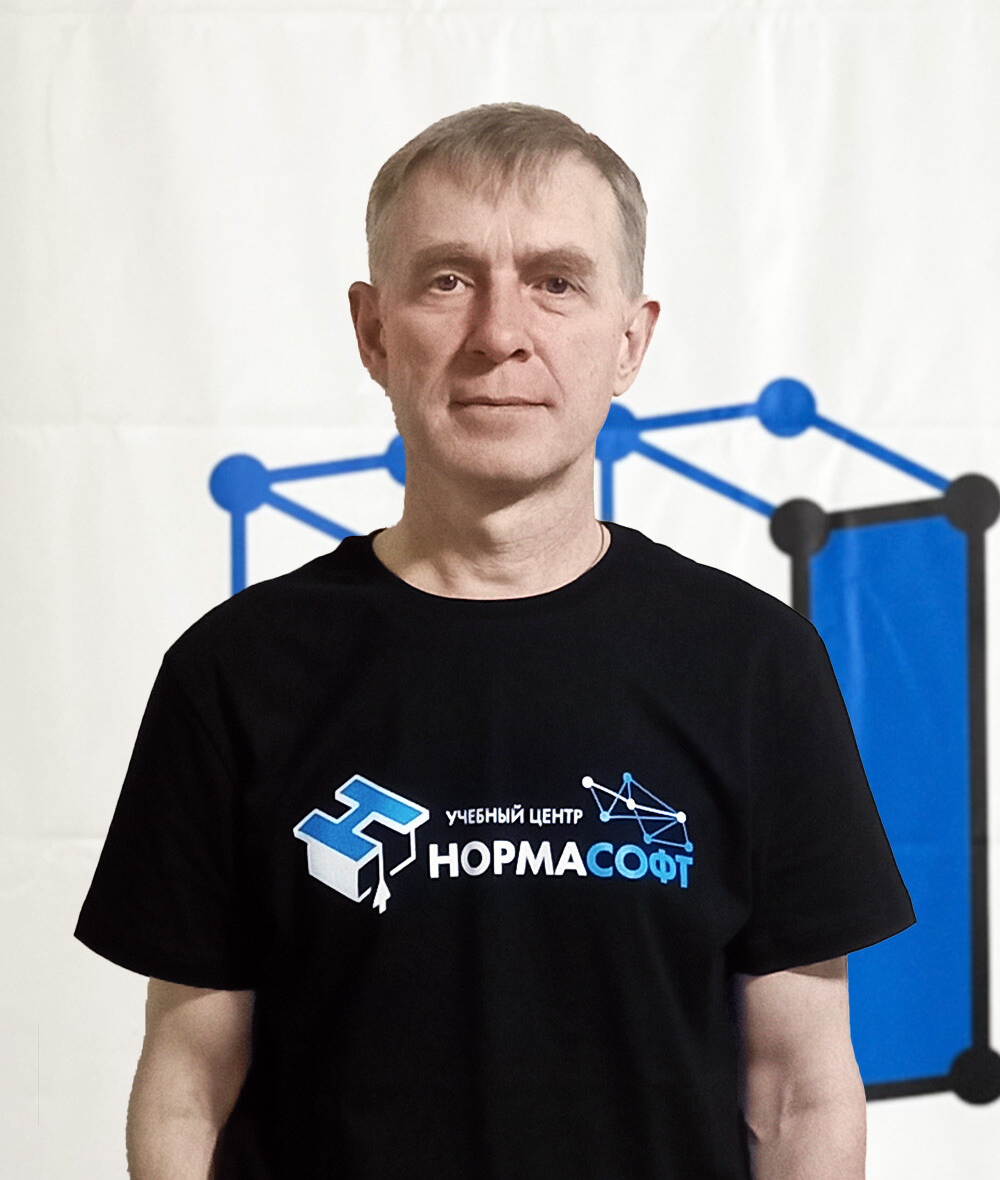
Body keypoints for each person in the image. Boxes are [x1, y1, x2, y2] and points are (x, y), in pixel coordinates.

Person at [75, 102, 915, 1180]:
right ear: (373, 331)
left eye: (556, 281)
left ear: (630, 340)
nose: (499, 333)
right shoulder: (234, 673)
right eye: (447, 279)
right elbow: (188, 1085)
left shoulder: (755, 665)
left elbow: (799, 1091)